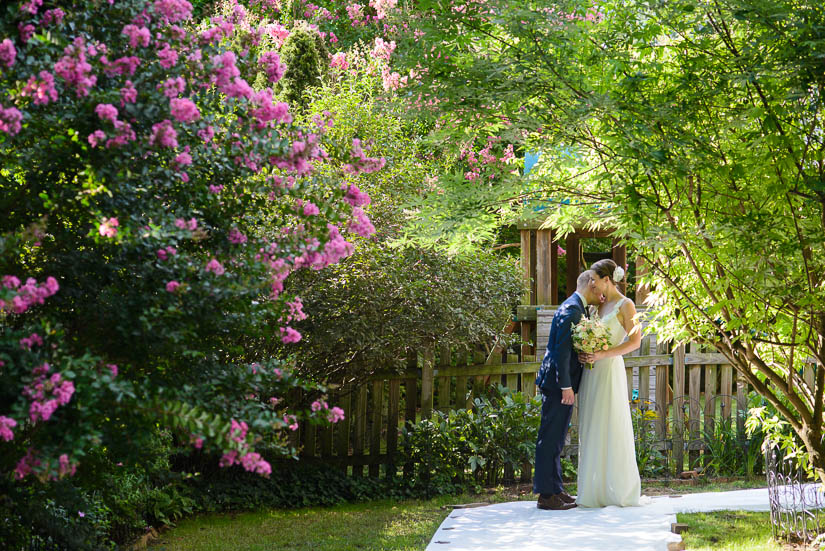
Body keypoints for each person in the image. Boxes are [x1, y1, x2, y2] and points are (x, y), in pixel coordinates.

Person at [533, 269, 608, 510]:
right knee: (550, 438)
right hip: (557, 385)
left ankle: (556, 489)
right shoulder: (572, 309)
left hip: (561, 383)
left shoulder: (579, 307)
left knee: (556, 439)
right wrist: (566, 385)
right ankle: (546, 496)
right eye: (601, 284)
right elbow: (560, 351)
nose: (604, 291)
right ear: (592, 283)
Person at [577, 258, 644, 507]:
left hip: (610, 370)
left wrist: (602, 354)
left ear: (607, 280)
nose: (591, 284)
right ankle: (594, 490)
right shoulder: (597, 307)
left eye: (594, 279)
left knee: (611, 425)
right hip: (591, 372)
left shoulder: (626, 305)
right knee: (592, 425)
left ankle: (618, 490)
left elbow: (635, 342)